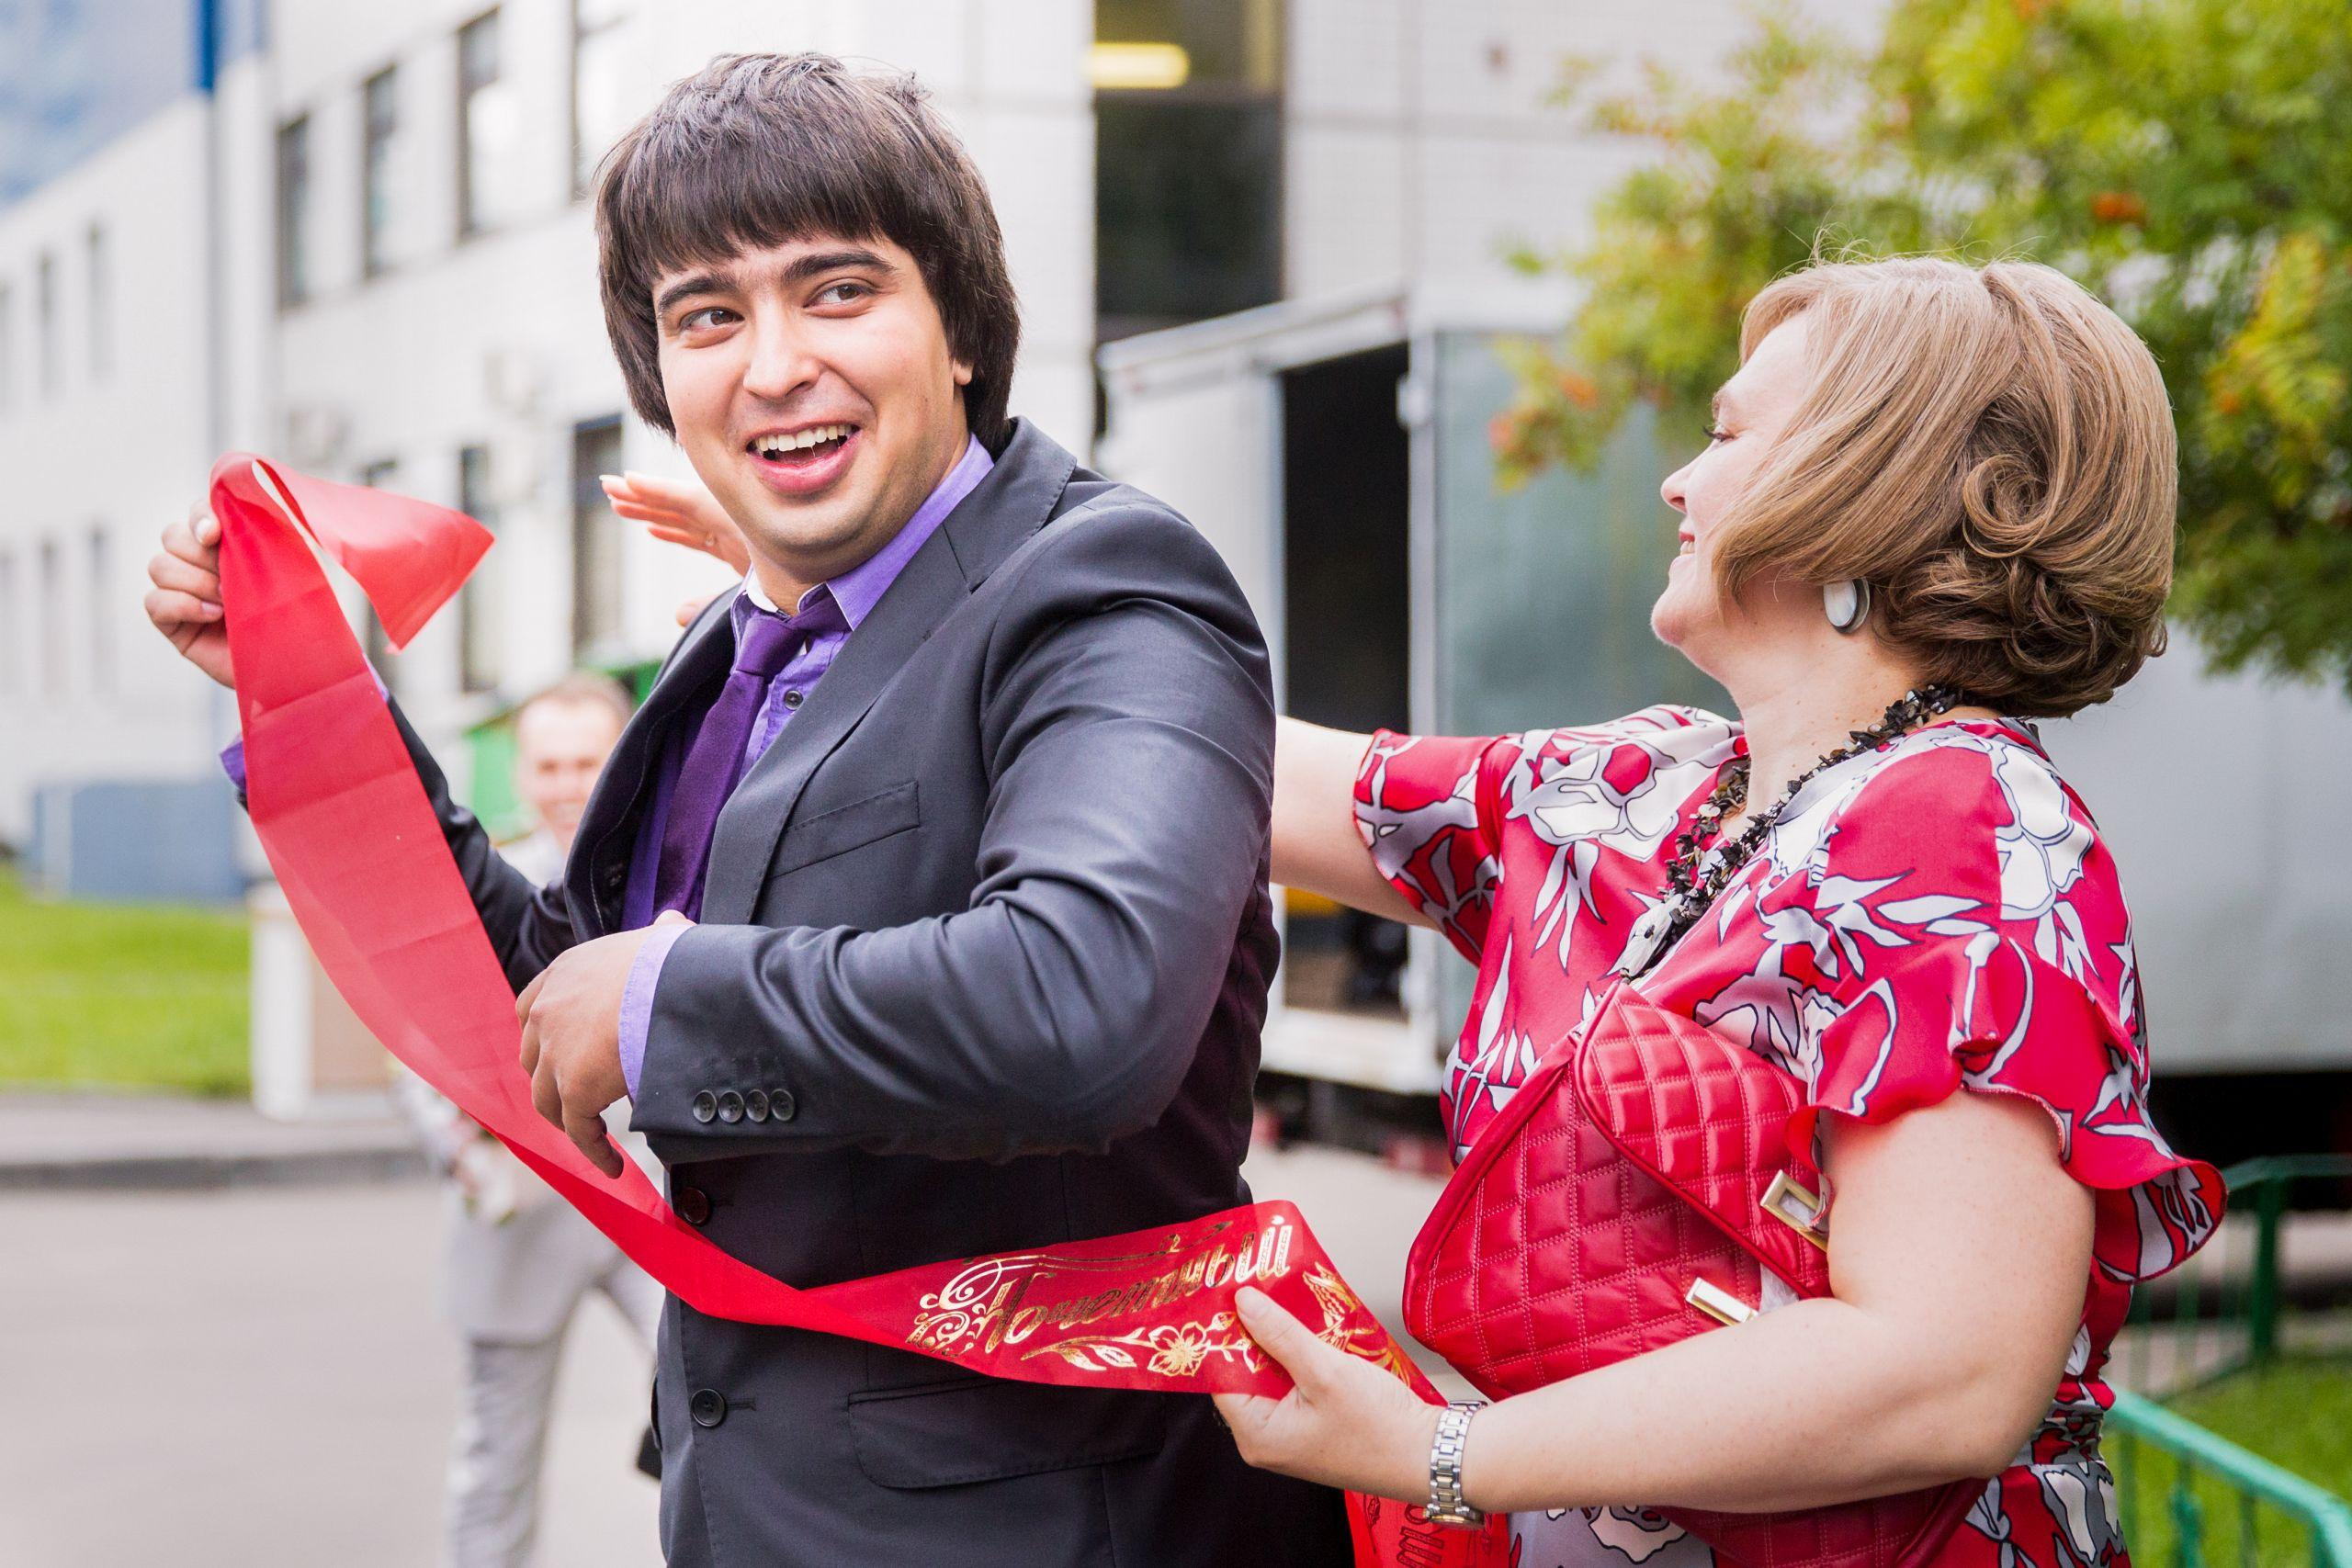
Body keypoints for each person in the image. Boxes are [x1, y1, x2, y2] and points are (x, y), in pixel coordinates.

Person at [143, 51, 1349, 1568]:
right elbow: (554, 989)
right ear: (661, 379)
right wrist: (311, 696)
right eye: (706, 314)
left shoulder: (1106, 587)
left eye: (836, 290)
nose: (772, 362)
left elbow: (1083, 1000)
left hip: (1057, 1524)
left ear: (961, 330)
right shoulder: (734, 643)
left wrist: (661, 1000)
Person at [1201, 257, 2221, 1567]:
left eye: (1731, 434)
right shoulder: (1650, 785)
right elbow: (1229, 773)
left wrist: (1439, 1456)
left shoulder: (1958, 823)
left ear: (1873, 485)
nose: (1679, 479)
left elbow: (1945, 1364)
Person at [389, 672, 663, 1568]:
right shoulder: (484, 886)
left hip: (659, 1213)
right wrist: (464, 1158)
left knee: (729, 1418)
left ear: (621, 761)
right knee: (496, 1464)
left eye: (588, 761)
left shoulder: (671, 868)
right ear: (521, 771)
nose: (566, 783)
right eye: (547, 763)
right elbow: (418, 1038)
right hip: (523, 1210)